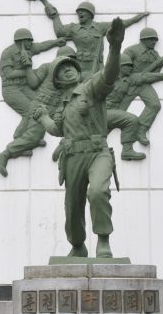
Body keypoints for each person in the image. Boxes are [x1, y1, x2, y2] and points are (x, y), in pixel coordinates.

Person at [32, 18, 127, 258]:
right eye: (62, 69)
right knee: (72, 206)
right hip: (73, 157)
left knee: (98, 192)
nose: (68, 69)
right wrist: (43, 117)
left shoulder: (91, 88)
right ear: (57, 81)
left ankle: (103, 240)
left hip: (97, 152)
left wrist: (115, 47)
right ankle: (77, 245)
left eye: (70, 66)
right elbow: (57, 130)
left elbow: (109, 74)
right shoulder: (63, 104)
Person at [23, 0, 146, 79]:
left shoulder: (100, 27)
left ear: (90, 14)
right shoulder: (74, 28)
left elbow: (119, 25)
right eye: (78, 12)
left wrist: (136, 18)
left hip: (97, 66)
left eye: (83, 12)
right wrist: (45, 2)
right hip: (80, 67)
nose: (80, 14)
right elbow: (59, 31)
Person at [0, 28, 64, 139]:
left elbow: (42, 46)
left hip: (24, 86)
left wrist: (56, 42)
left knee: (39, 106)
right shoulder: (7, 53)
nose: (31, 43)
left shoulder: (28, 48)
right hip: (11, 88)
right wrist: (30, 71)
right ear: (21, 41)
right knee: (28, 111)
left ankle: (33, 137)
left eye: (31, 41)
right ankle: (18, 137)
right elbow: (9, 74)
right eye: (28, 41)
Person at [118, 27, 163, 145]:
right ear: (144, 40)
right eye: (152, 39)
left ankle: (141, 130)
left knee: (155, 105)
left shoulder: (155, 54)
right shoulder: (131, 50)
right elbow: (123, 68)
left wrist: (161, 64)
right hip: (130, 84)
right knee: (119, 110)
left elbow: (155, 74)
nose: (154, 42)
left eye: (155, 40)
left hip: (144, 84)